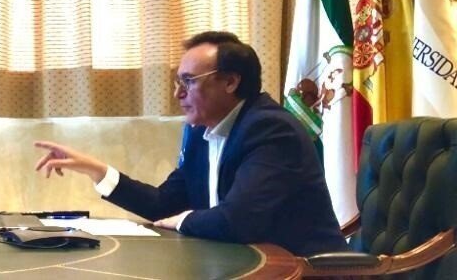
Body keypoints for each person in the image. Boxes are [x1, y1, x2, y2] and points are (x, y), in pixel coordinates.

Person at [34, 31, 346, 256]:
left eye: (188, 81)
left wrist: (181, 220)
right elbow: (163, 204)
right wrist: (97, 171)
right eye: (177, 82)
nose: (177, 94)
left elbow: (238, 221)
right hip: (235, 263)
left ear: (230, 81)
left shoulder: (271, 130)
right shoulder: (200, 131)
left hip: (302, 270)